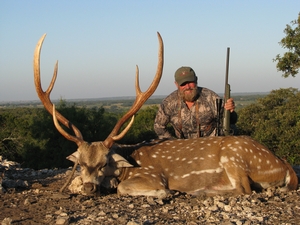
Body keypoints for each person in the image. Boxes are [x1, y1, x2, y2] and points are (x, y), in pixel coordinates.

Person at [154, 66, 237, 139]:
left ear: (196, 80)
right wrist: (172, 144)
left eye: (190, 82)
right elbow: (159, 126)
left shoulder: (211, 97)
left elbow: (231, 121)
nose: (187, 87)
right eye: (183, 84)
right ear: (176, 84)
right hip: (182, 148)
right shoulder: (169, 102)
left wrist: (230, 111)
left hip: (211, 145)